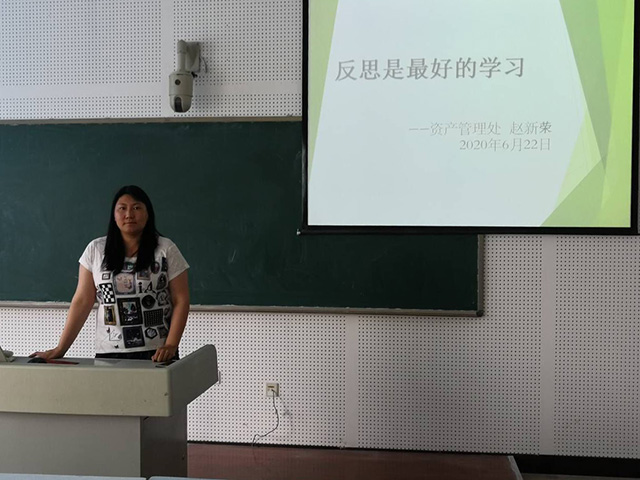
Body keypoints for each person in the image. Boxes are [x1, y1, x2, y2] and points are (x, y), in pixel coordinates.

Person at [31, 185, 190, 362]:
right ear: (114, 215)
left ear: (148, 213)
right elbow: (82, 301)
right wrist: (60, 349)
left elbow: (181, 299)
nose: (129, 214)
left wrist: (171, 345)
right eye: (122, 208)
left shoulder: (166, 249)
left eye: (136, 208)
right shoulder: (96, 250)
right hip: (109, 352)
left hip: (157, 352)